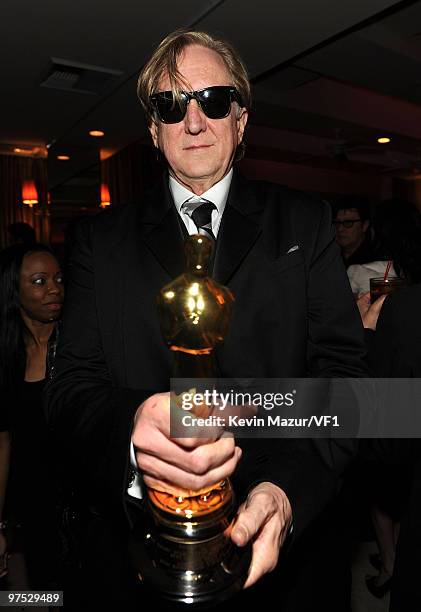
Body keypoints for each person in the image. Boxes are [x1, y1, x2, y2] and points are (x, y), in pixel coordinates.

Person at [46, 29, 367, 610]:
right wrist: (135, 427)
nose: (193, 121)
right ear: (153, 129)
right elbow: (68, 393)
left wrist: (287, 490)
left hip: (286, 563)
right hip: (142, 557)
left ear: (240, 119)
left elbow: (358, 391)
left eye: (214, 100)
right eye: (171, 105)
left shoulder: (304, 224)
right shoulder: (100, 241)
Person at [0, 243, 64, 589]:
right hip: (30, 508)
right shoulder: (7, 356)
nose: (54, 288)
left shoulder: (78, 348)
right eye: (39, 281)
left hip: (81, 507)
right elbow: (3, 442)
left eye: (58, 278)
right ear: (14, 290)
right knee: (36, 595)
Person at [333, 196, 374, 268]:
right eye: (337, 223)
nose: (340, 229)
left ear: (365, 225)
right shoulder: (329, 257)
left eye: (348, 223)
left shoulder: (374, 262)